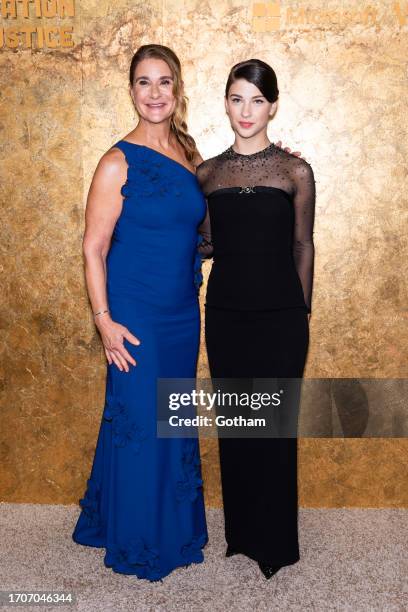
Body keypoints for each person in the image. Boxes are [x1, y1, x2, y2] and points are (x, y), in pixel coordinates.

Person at [72, 44, 209, 582]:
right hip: (135, 312)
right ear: (131, 91)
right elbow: (92, 248)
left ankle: (155, 519)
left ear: (178, 90)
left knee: (167, 416)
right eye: (144, 83)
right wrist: (104, 320)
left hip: (181, 309)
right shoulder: (116, 161)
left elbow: (198, 233)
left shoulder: (189, 153)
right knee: (139, 420)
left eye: (165, 82)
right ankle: (140, 538)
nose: (155, 93)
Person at [196, 59, 316, 579]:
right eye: (237, 99)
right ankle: (242, 535)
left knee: (275, 428)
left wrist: (301, 312)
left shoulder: (295, 171)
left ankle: (276, 543)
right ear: (225, 103)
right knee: (239, 425)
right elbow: (204, 243)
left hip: (282, 317)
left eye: (257, 100)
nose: (247, 111)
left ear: (273, 106)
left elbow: (303, 246)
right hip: (224, 314)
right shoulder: (207, 173)